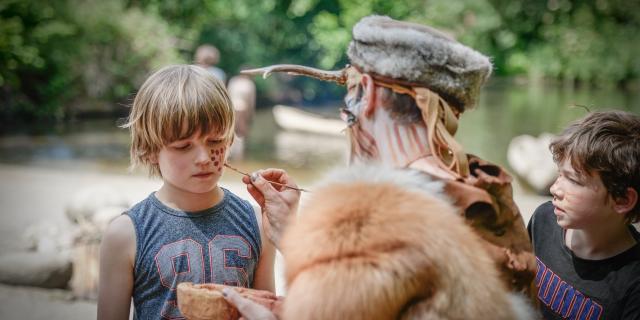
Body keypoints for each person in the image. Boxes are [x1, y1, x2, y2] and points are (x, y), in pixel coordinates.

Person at [230, 15, 538, 318]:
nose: (343, 114)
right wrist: (293, 236)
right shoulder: (491, 197)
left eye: (350, 91)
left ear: (370, 92)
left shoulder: (369, 216)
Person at [97, 65, 276, 320]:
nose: (203, 158)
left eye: (215, 141)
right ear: (149, 150)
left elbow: (267, 307)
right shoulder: (125, 235)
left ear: (230, 139)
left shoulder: (258, 224)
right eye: (183, 146)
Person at [528, 111, 640, 319]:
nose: (555, 189)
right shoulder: (543, 219)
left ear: (622, 200)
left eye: (574, 180)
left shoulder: (633, 283)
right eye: (559, 174)